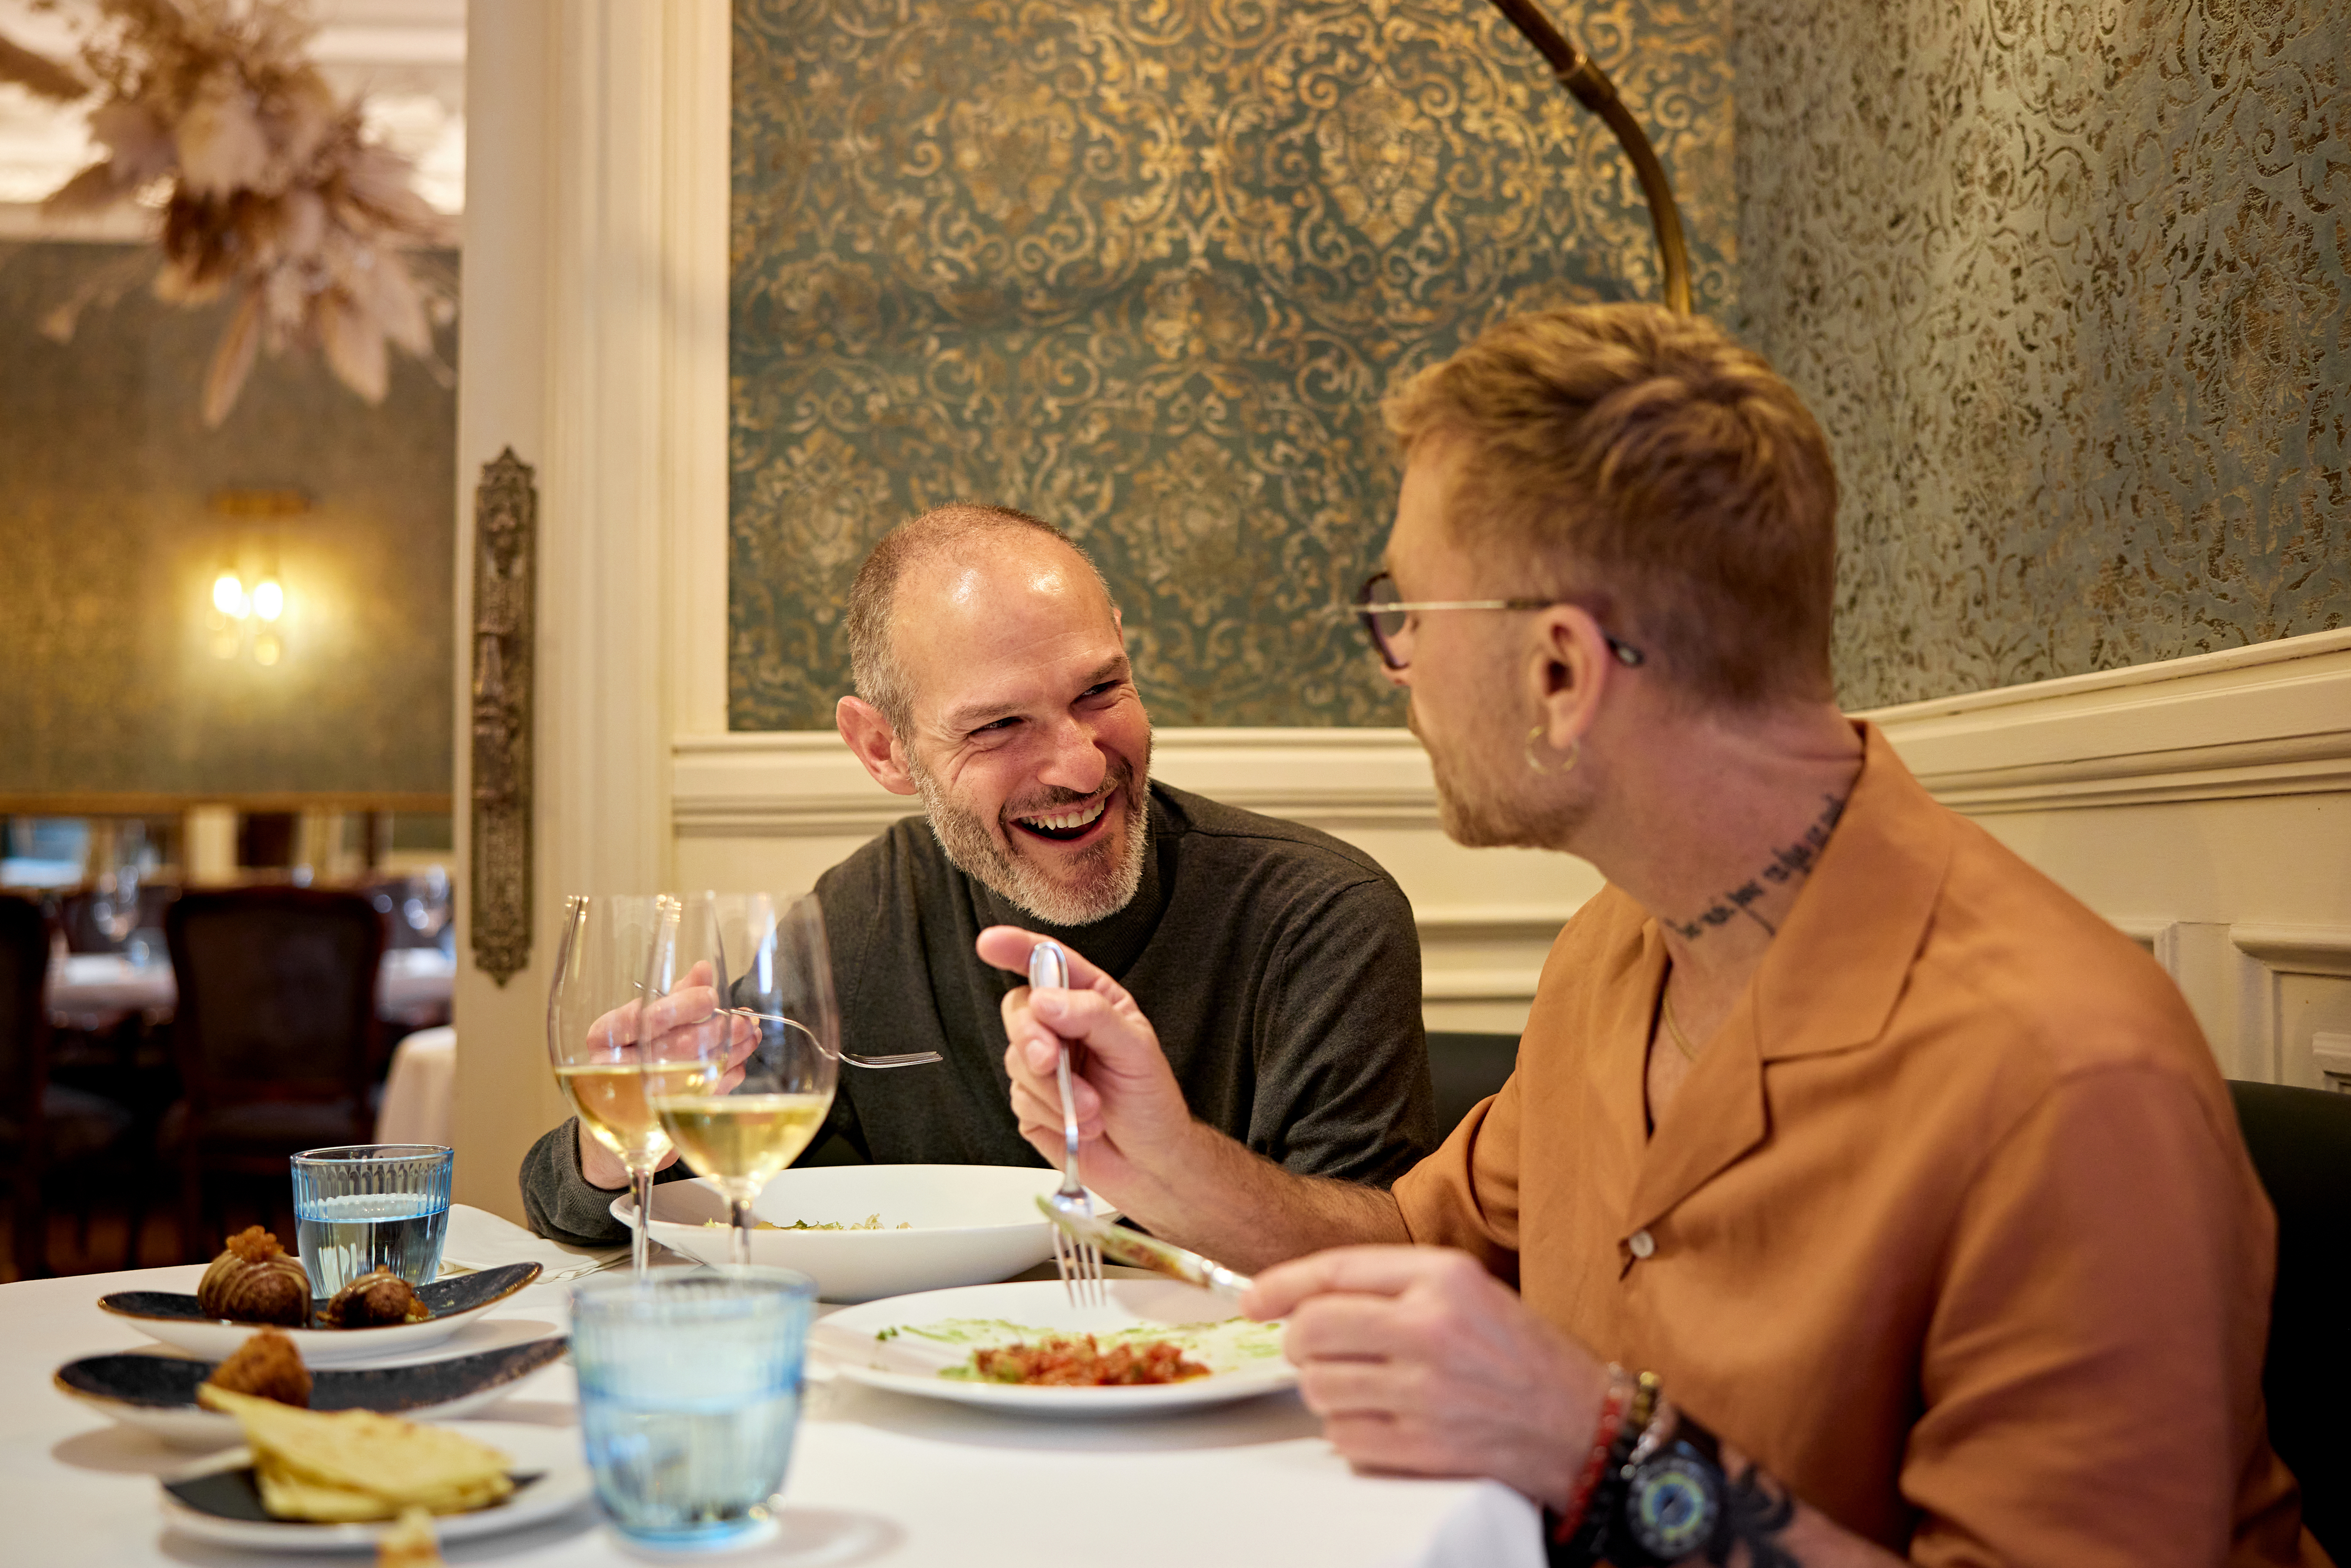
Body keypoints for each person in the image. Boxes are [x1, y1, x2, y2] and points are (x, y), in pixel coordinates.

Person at [979, 306, 2325, 1566]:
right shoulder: (1611, 951)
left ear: (1559, 671)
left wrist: (1599, 1451)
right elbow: (1414, 1235)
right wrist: (1155, 1154)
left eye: (1401, 613)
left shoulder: (2064, 1073)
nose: (1389, 664)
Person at [520, 505, 1437, 1245]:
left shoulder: (1320, 918)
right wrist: (618, 1138)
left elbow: (1378, 1251)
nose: (1081, 766)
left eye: (1100, 692)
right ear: (882, 748)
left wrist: (1167, 1158)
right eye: (999, 727)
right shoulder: (857, 921)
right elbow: (578, 1204)